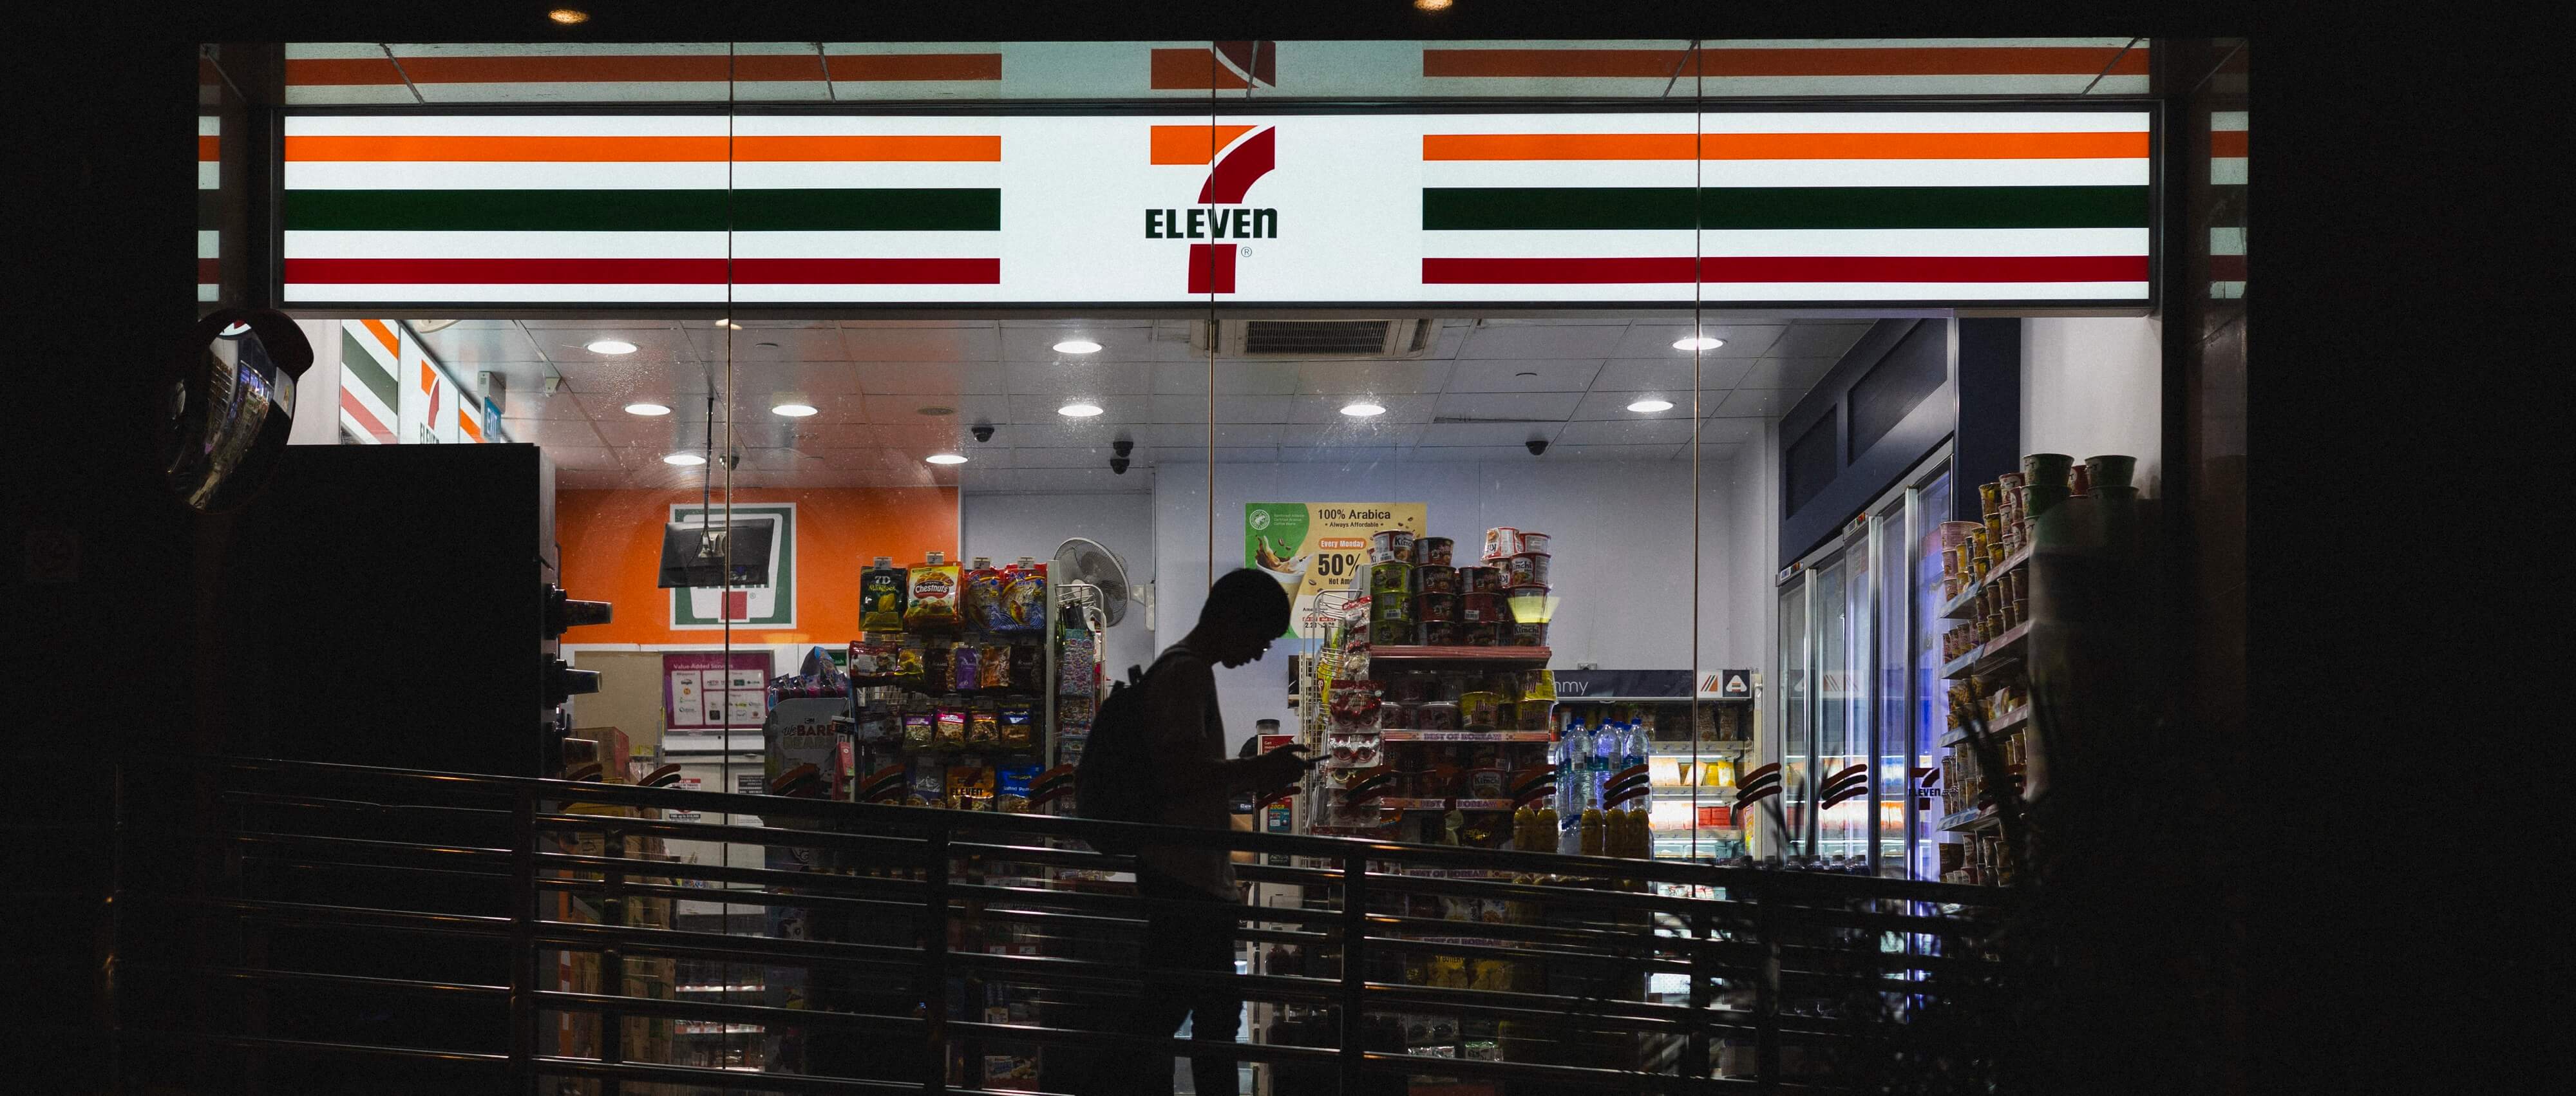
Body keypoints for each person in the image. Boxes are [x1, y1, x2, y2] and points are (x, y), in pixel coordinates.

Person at [1106, 569, 1312, 1095]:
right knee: (1196, 1015)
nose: (1261, 652)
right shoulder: (1186, 674)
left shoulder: (1182, 668)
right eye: (1261, 637)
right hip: (1186, 877)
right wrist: (1256, 771)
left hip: (1184, 873)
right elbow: (1180, 774)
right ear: (1233, 619)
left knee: (1190, 1011)